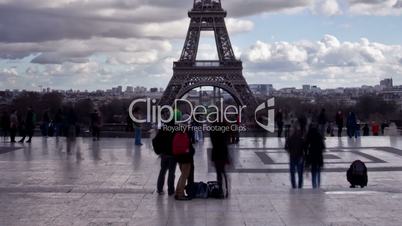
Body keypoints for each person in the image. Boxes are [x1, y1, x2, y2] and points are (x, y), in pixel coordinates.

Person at [173, 125, 195, 201]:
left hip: (179, 157)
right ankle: (180, 194)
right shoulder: (186, 135)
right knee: (185, 176)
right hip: (186, 158)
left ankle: (177, 192)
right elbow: (189, 147)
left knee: (183, 175)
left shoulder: (177, 134)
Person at [156, 121, 177, 196]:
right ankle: (170, 190)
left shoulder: (163, 128)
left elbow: (156, 139)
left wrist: (159, 151)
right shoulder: (176, 128)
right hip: (172, 154)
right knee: (171, 172)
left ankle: (159, 189)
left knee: (162, 171)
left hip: (164, 154)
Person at [210, 120, 230, 198]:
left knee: (219, 173)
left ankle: (221, 191)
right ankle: (225, 190)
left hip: (216, 153)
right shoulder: (224, 127)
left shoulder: (213, 127)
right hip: (223, 153)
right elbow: (226, 141)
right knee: (223, 172)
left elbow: (212, 140)